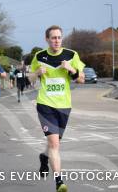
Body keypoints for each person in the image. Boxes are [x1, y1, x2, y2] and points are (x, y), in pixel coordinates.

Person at [29, 25, 85, 192]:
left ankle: (44, 157)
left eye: (59, 37)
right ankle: (59, 182)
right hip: (45, 104)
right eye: (53, 38)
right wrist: (37, 72)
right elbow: (30, 79)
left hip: (64, 106)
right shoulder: (39, 56)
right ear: (47, 39)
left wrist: (71, 69)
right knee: (54, 143)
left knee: (55, 143)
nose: (57, 41)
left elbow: (81, 79)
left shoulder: (71, 55)